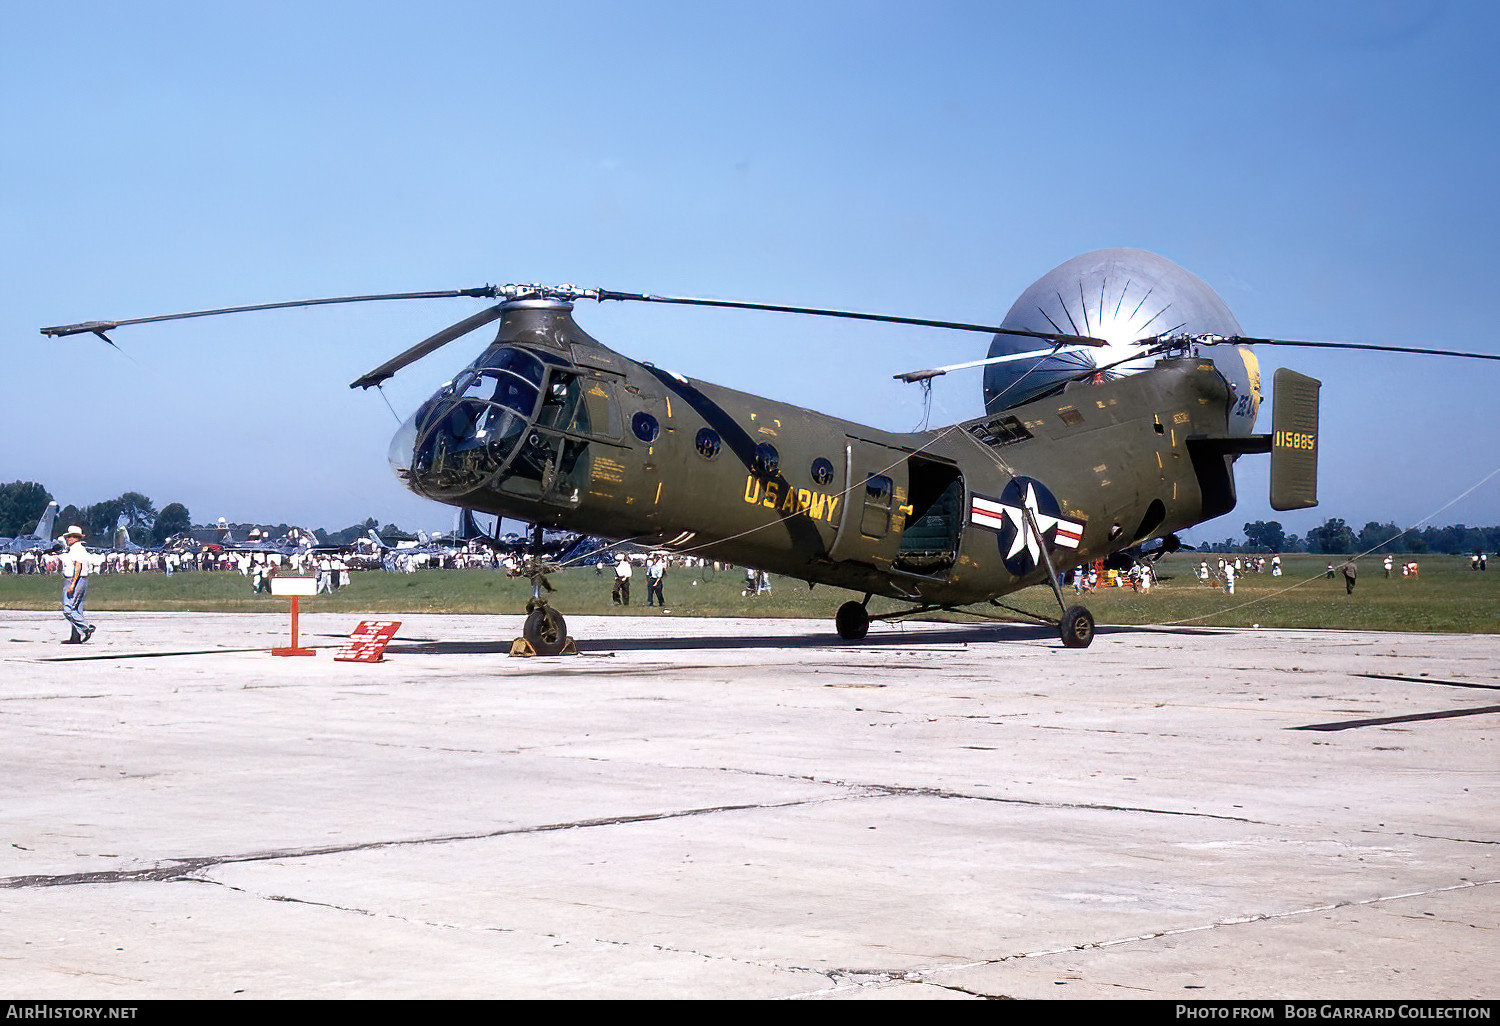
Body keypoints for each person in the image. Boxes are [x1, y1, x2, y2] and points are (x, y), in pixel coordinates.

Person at [59, 526, 95, 644]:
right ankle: (75, 637)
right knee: (77, 609)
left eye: (70, 536)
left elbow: (77, 566)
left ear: (76, 538)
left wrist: (72, 584)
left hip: (74, 579)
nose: (68, 539)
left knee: (68, 609)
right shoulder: (80, 549)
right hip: (82, 579)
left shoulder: (76, 549)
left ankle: (86, 627)